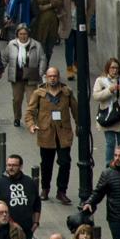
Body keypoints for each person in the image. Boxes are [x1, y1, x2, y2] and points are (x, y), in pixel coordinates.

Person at [24, 67, 78, 205]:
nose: (52, 78)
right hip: (46, 133)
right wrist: (31, 125)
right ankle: (45, 188)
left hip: (63, 133)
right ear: (46, 77)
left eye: (55, 76)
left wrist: (79, 125)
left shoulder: (66, 92)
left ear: (58, 76)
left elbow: (76, 110)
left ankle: (62, 191)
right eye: (50, 76)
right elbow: (29, 111)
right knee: (46, 164)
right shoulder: (39, 93)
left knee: (65, 162)